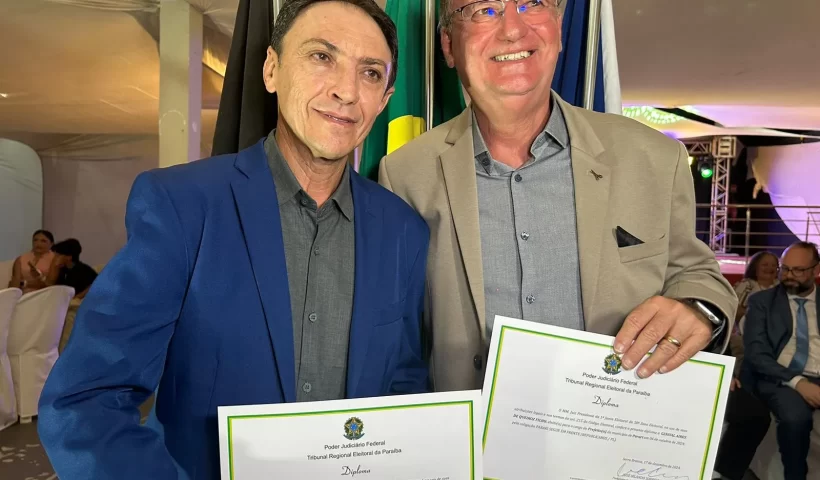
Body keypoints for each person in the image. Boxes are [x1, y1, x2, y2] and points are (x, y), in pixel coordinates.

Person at [38, 1, 429, 479]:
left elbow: (403, 386)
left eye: (369, 73)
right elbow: (86, 400)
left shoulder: (404, 230)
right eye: (321, 57)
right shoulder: (182, 205)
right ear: (271, 70)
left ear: (385, 99)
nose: (345, 91)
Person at [379, 0, 737, 391]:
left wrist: (696, 309)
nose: (513, 29)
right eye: (484, 10)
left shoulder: (654, 157)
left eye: (532, 3)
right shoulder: (404, 175)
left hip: (612, 419)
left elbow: (696, 273)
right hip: (470, 425)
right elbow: (392, 330)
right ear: (449, 45)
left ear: (559, 28)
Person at [743, 241, 820, 480]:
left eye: (798, 270)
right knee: (795, 418)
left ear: (816, 270)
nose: (789, 276)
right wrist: (798, 382)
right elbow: (756, 354)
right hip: (778, 377)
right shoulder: (762, 302)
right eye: (785, 269)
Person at [734, 250, 779, 330]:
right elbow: (735, 309)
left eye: (773, 265)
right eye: (765, 265)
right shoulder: (746, 285)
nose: (770, 268)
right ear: (755, 267)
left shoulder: (781, 287)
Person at [7, 229, 55, 294]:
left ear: (51, 244)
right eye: (35, 240)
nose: (38, 243)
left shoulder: (55, 259)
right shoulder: (20, 259)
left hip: (45, 293)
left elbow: (53, 284)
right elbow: (15, 282)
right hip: (23, 294)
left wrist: (25, 283)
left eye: (43, 241)